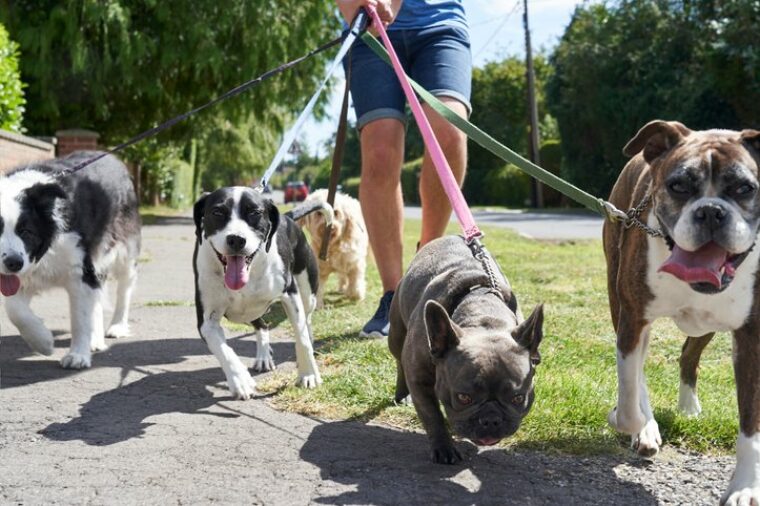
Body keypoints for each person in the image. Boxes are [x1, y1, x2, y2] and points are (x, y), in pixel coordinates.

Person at [336, 0, 472, 337]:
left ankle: (425, 267)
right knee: (381, 151)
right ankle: (394, 296)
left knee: (449, 133)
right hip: (369, 33)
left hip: (439, 25)